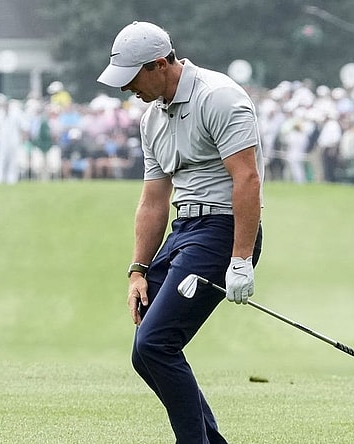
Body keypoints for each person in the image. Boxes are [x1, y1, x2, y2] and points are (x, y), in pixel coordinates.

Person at [97, 21, 264, 444]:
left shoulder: (219, 98)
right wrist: (137, 270)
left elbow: (247, 180)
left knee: (157, 344)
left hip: (222, 231)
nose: (125, 89)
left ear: (158, 65)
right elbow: (154, 199)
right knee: (144, 352)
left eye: (132, 78)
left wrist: (241, 259)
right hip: (185, 229)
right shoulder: (152, 118)